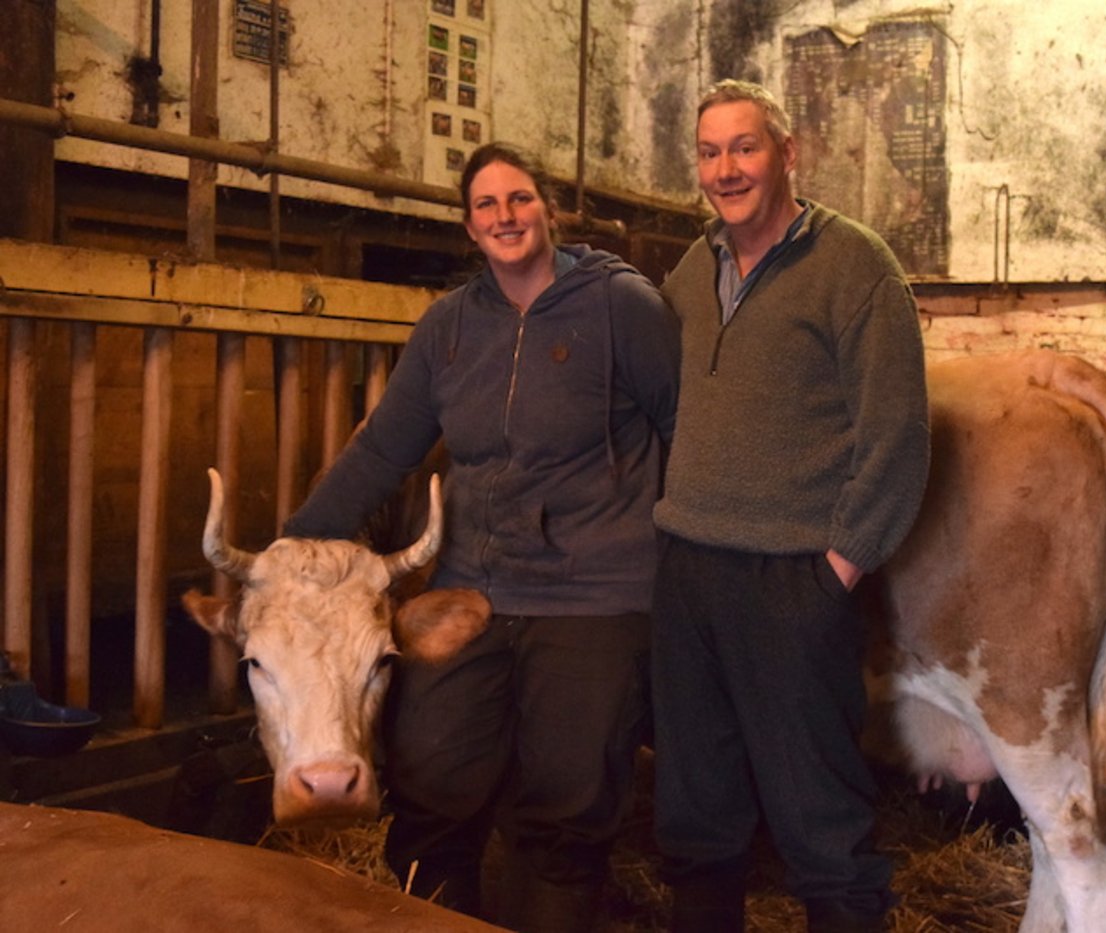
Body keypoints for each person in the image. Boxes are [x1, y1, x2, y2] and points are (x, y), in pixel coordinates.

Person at [283, 141, 680, 932]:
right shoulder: (449, 328)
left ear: (549, 210)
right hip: (473, 587)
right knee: (430, 770)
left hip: (596, 592)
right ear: (469, 227)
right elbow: (383, 448)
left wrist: (683, 564)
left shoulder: (622, 307)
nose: (506, 216)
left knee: (568, 793)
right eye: (487, 205)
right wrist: (291, 549)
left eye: (520, 199)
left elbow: (683, 431)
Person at [650, 80, 931, 933]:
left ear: (787, 152)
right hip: (688, 571)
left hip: (791, 579)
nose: (725, 168)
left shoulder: (855, 265)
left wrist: (835, 569)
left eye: (744, 147)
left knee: (822, 821)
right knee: (696, 812)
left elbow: (898, 433)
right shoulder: (690, 273)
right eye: (709, 151)